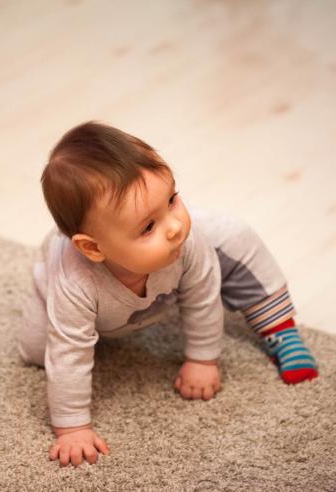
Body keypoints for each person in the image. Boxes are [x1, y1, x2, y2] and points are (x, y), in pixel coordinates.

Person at [18, 122, 319, 467]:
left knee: (234, 236)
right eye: (148, 226)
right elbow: (68, 352)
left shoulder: (185, 240)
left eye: (173, 199)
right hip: (83, 305)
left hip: (160, 286)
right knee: (38, 351)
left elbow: (204, 294)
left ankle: (279, 327)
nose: (175, 226)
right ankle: (100, 316)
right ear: (93, 248)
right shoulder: (74, 282)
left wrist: (203, 359)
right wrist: (72, 428)